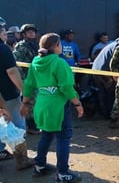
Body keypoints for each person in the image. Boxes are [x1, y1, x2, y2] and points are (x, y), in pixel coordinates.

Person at [20, 33, 84, 182]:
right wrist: (77, 104)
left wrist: (25, 103)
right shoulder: (59, 63)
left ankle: (40, 166)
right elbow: (67, 87)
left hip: (41, 105)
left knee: (47, 135)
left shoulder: (35, 61)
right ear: (56, 46)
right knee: (63, 138)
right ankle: (63, 173)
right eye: (60, 44)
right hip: (58, 107)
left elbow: (28, 85)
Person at [0, 25, 35, 170]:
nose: (5, 34)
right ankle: (22, 160)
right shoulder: (3, 49)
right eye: (3, 31)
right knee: (19, 126)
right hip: (8, 95)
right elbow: (12, 72)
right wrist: (24, 92)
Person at [13, 24, 41, 134]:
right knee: (29, 102)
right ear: (24, 34)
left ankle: (35, 125)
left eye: (33, 32)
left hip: (36, 79)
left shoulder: (35, 45)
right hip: (28, 79)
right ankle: (31, 127)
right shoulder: (21, 46)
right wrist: (23, 80)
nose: (31, 34)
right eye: (29, 32)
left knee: (36, 102)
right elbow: (16, 64)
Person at [92, 36, 119, 118]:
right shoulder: (118, 47)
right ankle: (110, 114)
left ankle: (103, 112)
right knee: (110, 92)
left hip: (96, 69)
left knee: (102, 92)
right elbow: (116, 62)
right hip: (104, 71)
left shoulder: (111, 45)